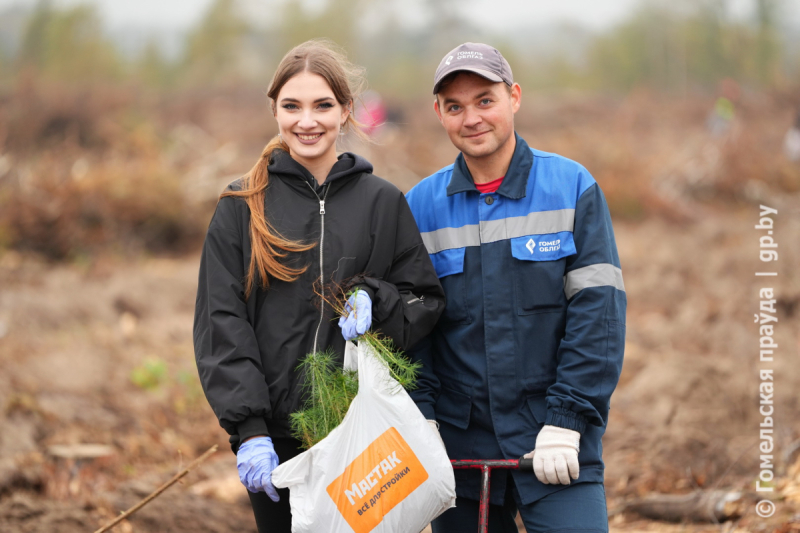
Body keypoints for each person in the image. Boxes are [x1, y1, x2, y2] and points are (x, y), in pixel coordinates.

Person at [192, 40, 445, 533]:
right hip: (277, 440)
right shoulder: (241, 205)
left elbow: (425, 301)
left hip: (361, 433)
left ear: (347, 111)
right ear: (275, 111)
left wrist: (378, 298)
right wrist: (249, 431)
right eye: (292, 106)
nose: (307, 121)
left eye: (322, 105)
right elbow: (221, 321)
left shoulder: (383, 202)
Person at [405, 43, 626, 532]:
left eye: (485, 100)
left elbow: (599, 316)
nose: (472, 118)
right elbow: (413, 333)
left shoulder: (572, 187)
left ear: (514, 98)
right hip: (457, 454)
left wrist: (567, 421)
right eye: (455, 106)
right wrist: (422, 424)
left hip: (555, 442)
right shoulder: (419, 206)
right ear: (438, 112)